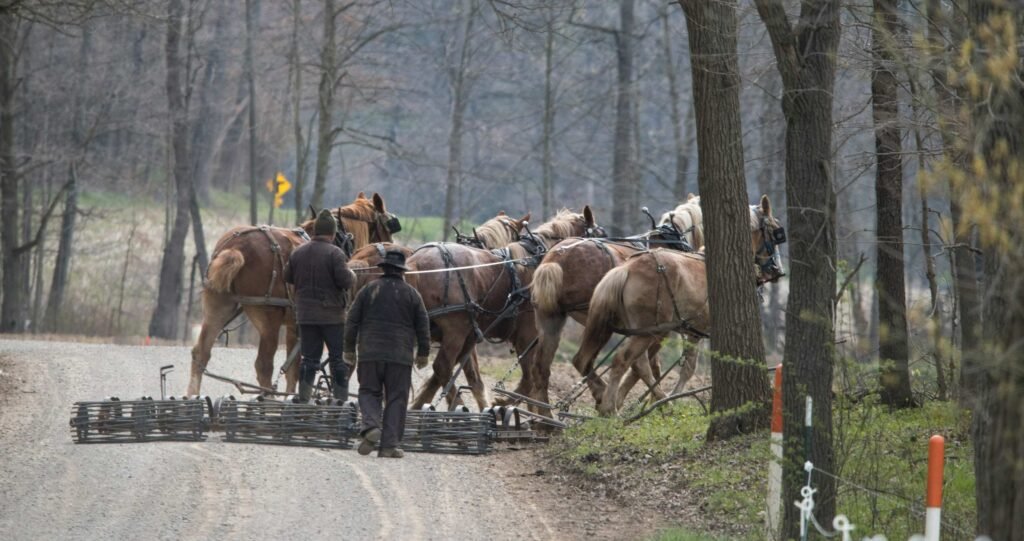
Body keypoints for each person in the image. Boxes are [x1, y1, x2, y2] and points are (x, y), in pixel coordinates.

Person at [344, 249, 430, 458]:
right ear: (402, 271)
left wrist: (348, 349)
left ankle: (371, 426)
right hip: (400, 356)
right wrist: (423, 353)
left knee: (368, 392)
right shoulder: (412, 294)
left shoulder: (368, 290)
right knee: (397, 398)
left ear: (383, 268)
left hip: (369, 353)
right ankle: (389, 446)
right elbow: (423, 326)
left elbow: (352, 320)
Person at [284, 209, 354, 402]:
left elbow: (287, 276)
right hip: (332, 317)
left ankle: (304, 400)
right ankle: (340, 402)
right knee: (337, 360)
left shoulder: (298, 252)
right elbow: (346, 281)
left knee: (309, 359)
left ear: (314, 231)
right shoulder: (336, 253)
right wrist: (352, 274)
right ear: (331, 233)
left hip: (306, 316)